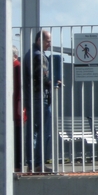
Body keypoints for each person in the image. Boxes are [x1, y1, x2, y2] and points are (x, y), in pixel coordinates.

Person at [23, 29, 59, 172]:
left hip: (31, 97)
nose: (50, 44)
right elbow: (40, 79)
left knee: (33, 132)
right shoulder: (39, 56)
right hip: (39, 97)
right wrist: (54, 83)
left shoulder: (29, 54)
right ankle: (38, 164)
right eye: (48, 41)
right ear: (39, 40)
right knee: (43, 131)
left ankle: (32, 163)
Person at [12, 46, 26, 169]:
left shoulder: (17, 67)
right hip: (16, 106)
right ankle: (17, 164)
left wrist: (20, 105)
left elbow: (21, 89)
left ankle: (18, 164)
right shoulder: (16, 67)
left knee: (18, 136)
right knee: (17, 136)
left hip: (17, 107)